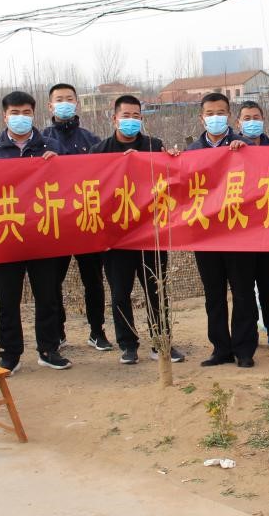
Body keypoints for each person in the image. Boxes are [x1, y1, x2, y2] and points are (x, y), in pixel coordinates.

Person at [0, 91, 70, 374]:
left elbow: (72, 182)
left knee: (48, 296)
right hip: (6, 236)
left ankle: (49, 349)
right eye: (15, 113)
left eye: (26, 113)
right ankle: (10, 353)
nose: (21, 118)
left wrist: (60, 164)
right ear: (5, 116)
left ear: (34, 114)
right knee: (8, 299)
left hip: (42, 234)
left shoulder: (52, 147)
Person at [90, 94, 184, 366]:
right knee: (120, 294)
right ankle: (128, 345)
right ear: (114, 119)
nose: (130, 121)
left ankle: (161, 342)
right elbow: (91, 189)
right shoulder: (99, 151)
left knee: (156, 290)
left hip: (150, 234)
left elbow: (170, 179)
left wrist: (169, 158)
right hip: (116, 238)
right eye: (125, 116)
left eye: (135, 116)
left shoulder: (154, 145)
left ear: (141, 119)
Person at [187, 92, 258, 368]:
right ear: (201, 118)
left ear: (229, 116)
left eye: (220, 113)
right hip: (206, 235)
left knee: (243, 292)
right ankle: (220, 348)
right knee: (213, 294)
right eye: (210, 113)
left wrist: (247, 153)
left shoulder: (244, 146)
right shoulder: (192, 152)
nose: (215, 117)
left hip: (239, 232)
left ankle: (244, 349)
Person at [40, 82, 111, 351]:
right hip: (55, 221)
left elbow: (109, 172)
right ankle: (57, 331)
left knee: (93, 280)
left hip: (86, 220)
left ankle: (97, 331)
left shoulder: (91, 140)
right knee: (51, 281)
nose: (65, 103)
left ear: (77, 103)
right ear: (50, 106)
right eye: (59, 99)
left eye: (69, 99)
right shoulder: (41, 140)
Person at [230, 100, 269, 355]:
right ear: (238, 123)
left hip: (268, 230)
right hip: (241, 231)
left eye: (256, 117)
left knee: (268, 285)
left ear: (263, 120)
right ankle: (250, 333)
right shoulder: (231, 149)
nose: (252, 122)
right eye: (247, 118)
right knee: (243, 288)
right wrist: (234, 150)